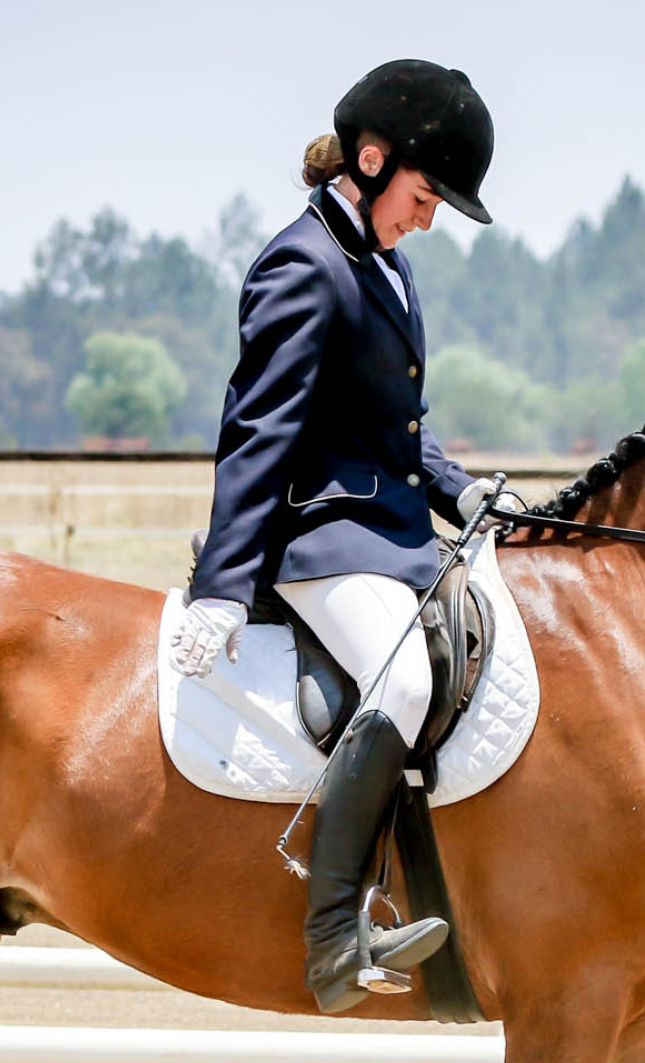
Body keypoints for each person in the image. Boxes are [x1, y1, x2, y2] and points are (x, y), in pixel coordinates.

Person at [167, 58, 517, 1015]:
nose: (429, 217)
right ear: (371, 159)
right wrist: (223, 587)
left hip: (389, 534)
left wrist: (465, 491)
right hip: (320, 541)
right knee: (402, 679)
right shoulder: (305, 264)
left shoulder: (381, 261)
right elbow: (260, 432)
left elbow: (395, 430)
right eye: (424, 193)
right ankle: (332, 936)